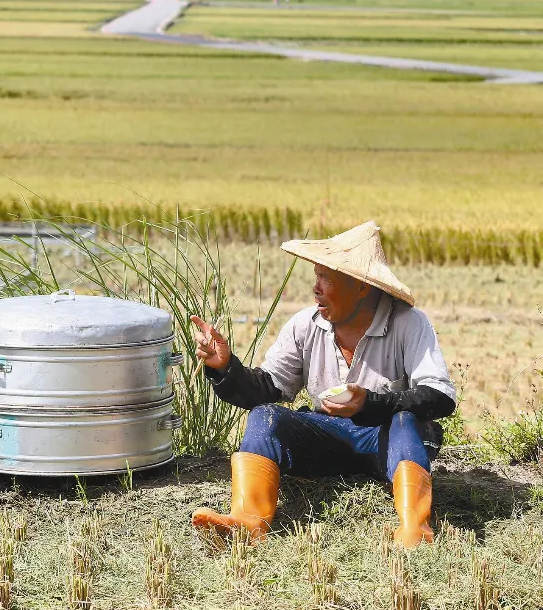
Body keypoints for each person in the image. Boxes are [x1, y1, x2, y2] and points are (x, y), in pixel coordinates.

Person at [190, 222, 455, 549]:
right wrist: (225, 367)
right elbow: (266, 388)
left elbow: (441, 398)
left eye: (326, 279)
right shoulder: (305, 324)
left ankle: (415, 532)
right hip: (326, 437)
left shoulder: (409, 323)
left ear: (361, 286)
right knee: (265, 415)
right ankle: (247, 523)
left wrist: (370, 403)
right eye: (316, 276)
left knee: (404, 422)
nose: (316, 288)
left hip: (389, 442)